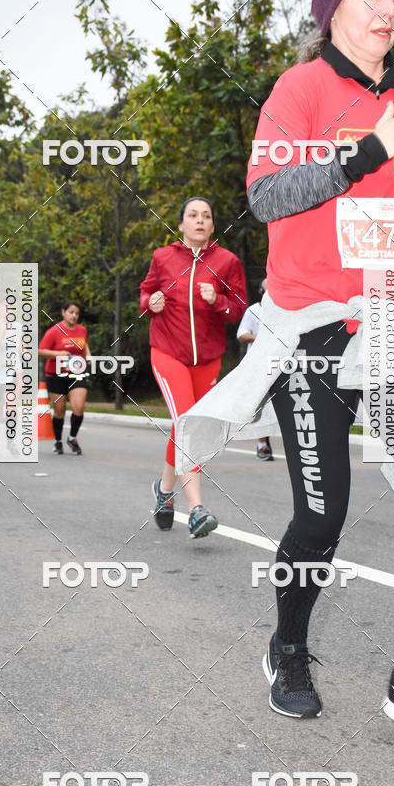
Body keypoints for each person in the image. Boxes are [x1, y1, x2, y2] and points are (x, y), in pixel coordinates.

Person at [176, 0, 394, 755]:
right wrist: (369, 149)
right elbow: (270, 193)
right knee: (322, 514)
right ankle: (286, 643)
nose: (388, 10)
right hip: (312, 325)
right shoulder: (301, 88)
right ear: (333, 6)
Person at [140, 196, 247, 537]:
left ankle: (164, 490)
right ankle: (197, 509)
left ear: (213, 226)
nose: (199, 220)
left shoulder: (227, 262)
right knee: (187, 423)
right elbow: (145, 295)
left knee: (188, 427)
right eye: (192, 215)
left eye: (206, 216)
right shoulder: (163, 257)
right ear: (181, 224)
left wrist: (218, 302)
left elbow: (240, 309)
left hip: (208, 359)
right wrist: (151, 304)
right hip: (168, 352)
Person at [39, 302, 91, 455]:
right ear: (63, 312)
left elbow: (84, 344)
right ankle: (58, 441)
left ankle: (72, 437)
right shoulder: (54, 331)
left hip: (77, 374)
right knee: (59, 410)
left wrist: (88, 356)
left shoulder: (82, 330)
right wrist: (58, 354)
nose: (74, 315)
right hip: (55, 375)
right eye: (71, 312)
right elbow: (40, 351)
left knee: (79, 407)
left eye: (76, 313)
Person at [237, 279, 273, 460]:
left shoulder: (283, 311)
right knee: (262, 405)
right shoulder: (253, 311)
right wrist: (259, 337)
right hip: (259, 363)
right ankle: (263, 444)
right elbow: (241, 334)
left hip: (283, 363)